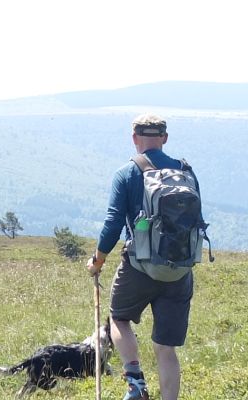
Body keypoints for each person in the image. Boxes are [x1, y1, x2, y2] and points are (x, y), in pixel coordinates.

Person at [87, 113, 197, 400]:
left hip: (139, 266)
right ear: (164, 138)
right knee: (166, 347)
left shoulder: (127, 173)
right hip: (179, 270)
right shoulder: (186, 172)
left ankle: (136, 383)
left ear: (134, 138)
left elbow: (113, 224)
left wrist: (98, 260)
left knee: (118, 320)